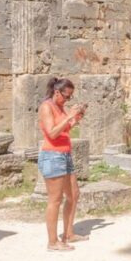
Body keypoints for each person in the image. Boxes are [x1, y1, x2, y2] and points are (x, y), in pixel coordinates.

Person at [37, 77, 87, 251]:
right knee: (55, 200)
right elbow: (52, 133)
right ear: (56, 92)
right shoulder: (46, 107)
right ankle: (52, 242)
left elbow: (64, 130)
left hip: (65, 155)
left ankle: (68, 233)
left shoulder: (59, 107)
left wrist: (76, 118)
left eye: (70, 97)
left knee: (74, 195)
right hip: (52, 156)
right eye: (67, 96)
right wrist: (69, 117)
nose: (68, 100)